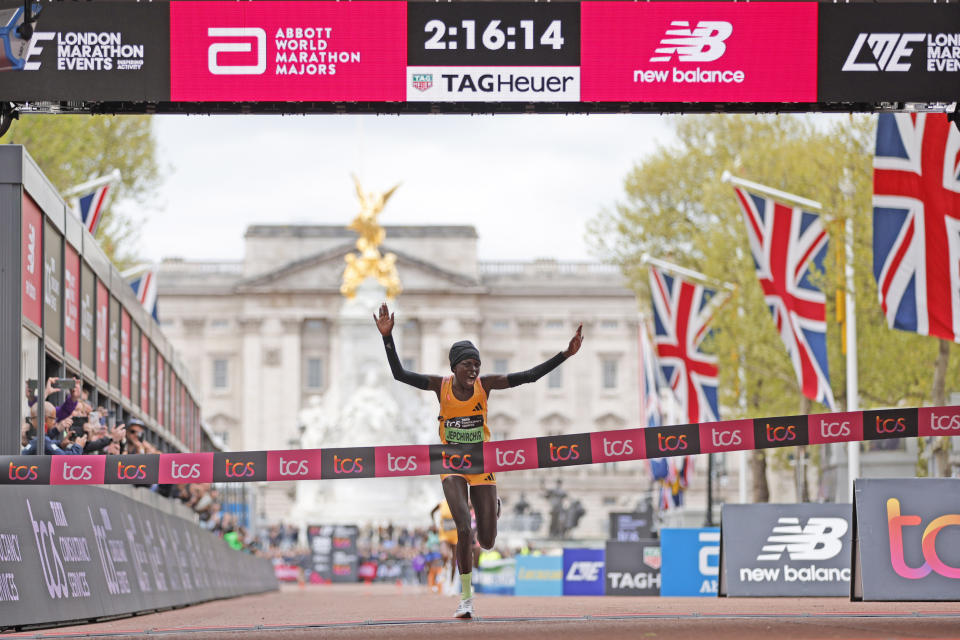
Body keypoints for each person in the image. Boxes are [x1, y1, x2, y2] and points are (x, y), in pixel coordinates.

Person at [375, 302, 583, 618]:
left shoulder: (485, 386)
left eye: (477, 365)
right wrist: (388, 339)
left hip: (482, 463)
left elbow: (527, 376)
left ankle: (491, 511)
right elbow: (399, 374)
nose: (474, 370)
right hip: (451, 463)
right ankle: (466, 598)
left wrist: (564, 355)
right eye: (468, 365)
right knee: (462, 528)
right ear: (454, 368)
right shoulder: (439, 386)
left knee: (486, 541)